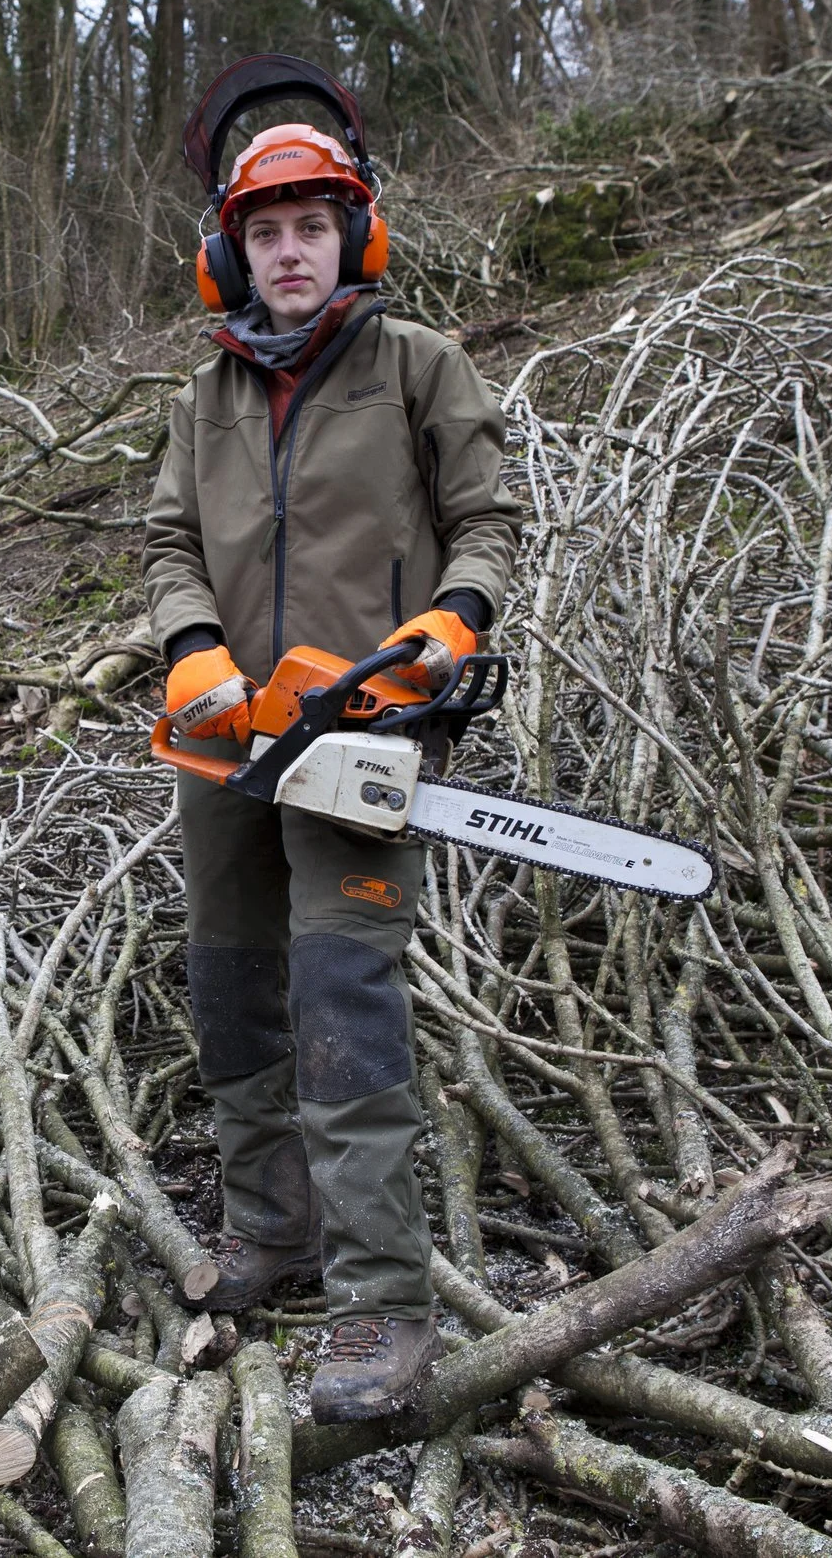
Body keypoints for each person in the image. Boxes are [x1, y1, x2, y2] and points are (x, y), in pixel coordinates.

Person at [143, 104, 522, 1422]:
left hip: (362, 730)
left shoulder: (418, 366)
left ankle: (382, 1296)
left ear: (354, 236)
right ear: (230, 254)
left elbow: (487, 521)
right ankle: (272, 1224)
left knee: (344, 997)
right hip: (225, 735)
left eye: (312, 226)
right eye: (267, 233)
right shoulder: (202, 397)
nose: (290, 251)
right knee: (233, 983)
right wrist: (190, 643)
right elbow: (167, 543)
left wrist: (453, 619)